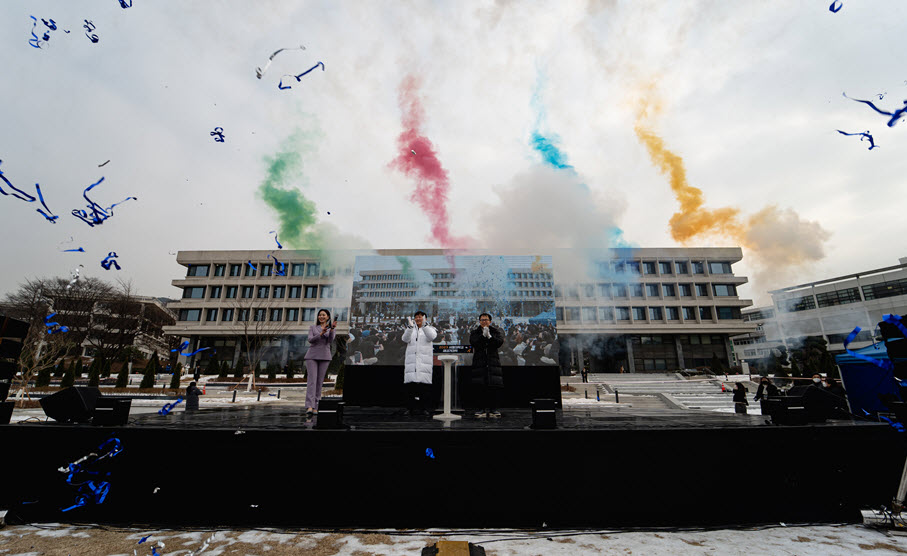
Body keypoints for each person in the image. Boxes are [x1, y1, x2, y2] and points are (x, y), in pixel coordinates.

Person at [468, 313, 505, 418]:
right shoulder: (475, 332)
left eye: (486, 320)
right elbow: (473, 342)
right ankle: (481, 409)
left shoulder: (495, 331)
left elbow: (499, 342)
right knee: (480, 387)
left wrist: (489, 337)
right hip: (479, 362)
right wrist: (482, 336)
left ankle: (494, 409)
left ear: (490, 321)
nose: (484, 321)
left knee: (493, 387)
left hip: (493, 362)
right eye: (482, 320)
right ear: (479, 321)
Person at [401, 311, 438, 417]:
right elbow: (404, 339)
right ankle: (410, 408)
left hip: (424, 363)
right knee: (410, 388)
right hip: (411, 363)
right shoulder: (411, 329)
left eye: (420, 317)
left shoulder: (430, 329)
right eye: (416, 317)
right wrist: (409, 327)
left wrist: (424, 325)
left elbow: (431, 337)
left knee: (424, 388)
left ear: (425, 318)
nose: (418, 319)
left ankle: (424, 408)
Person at [304, 309, 336, 416]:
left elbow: (330, 341)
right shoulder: (313, 328)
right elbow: (310, 340)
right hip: (312, 355)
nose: (321, 317)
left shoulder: (331, 328)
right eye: (320, 315)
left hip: (325, 356)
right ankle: (309, 405)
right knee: (312, 381)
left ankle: (316, 406)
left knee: (319, 382)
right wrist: (321, 334)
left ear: (328, 317)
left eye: (323, 315)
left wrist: (331, 330)